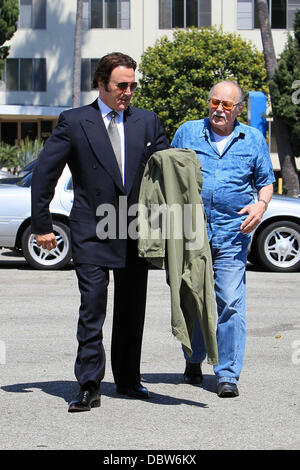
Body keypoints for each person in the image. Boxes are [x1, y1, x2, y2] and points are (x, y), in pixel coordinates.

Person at [31, 52, 169, 412]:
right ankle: (89, 384)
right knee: (92, 308)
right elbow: (45, 174)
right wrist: (42, 225)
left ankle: (127, 379)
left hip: (136, 229)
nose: (128, 92)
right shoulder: (74, 122)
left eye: (132, 86)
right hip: (91, 229)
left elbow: (168, 174)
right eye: (121, 85)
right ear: (101, 84)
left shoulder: (148, 122)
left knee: (131, 309)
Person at [171, 80, 275, 398]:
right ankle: (193, 358)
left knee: (229, 301)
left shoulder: (253, 139)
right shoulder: (187, 132)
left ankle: (227, 373)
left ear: (239, 109)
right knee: (193, 299)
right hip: (193, 232)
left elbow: (265, 181)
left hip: (233, 232)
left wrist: (261, 204)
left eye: (227, 105)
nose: (219, 108)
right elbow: (168, 174)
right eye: (215, 102)